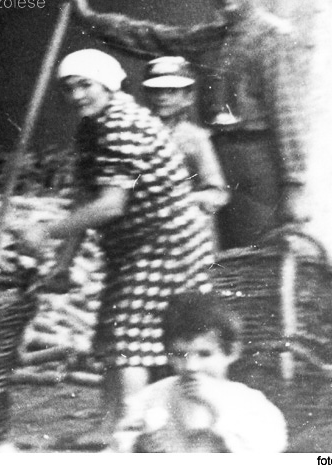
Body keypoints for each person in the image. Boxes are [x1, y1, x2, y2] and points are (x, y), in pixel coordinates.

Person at [24, 49, 216, 450]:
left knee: (132, 343)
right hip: (133, 246)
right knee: (114, 335)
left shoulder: (123, 124)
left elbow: (111, 205)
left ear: (109, 85)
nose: (77, 95)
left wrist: (46, 232)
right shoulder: (92, 127)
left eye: (85, 85)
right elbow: (85, 199)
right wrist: (63, 264)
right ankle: (107, 426)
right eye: (68, 88)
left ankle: (130, 437)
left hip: (167, 244)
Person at [64, 0, 308, 249]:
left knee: (255, 254)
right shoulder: (208, 38)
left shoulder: (275, 39)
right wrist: (91, 20)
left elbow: (288, 116)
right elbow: (151, 37)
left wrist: (295, 186)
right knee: (211, 254)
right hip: (212, 156)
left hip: (256, 164)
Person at [111, 291, 287, 452]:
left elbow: (269, 446)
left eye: (204, 354)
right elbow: (122, 439)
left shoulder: (248, 402)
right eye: (179, 354)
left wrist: (217, 407)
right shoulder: (153, 397)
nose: (191, 367)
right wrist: (139, 444)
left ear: (231, 353)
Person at [140, 56, 229, 242]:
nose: (162, 97)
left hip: (186, 228)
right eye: (156, 91)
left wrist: (182, 200)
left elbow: (217, 193)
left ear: (188, 97)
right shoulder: (137, 133)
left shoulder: (195, 138)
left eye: (171, 91)